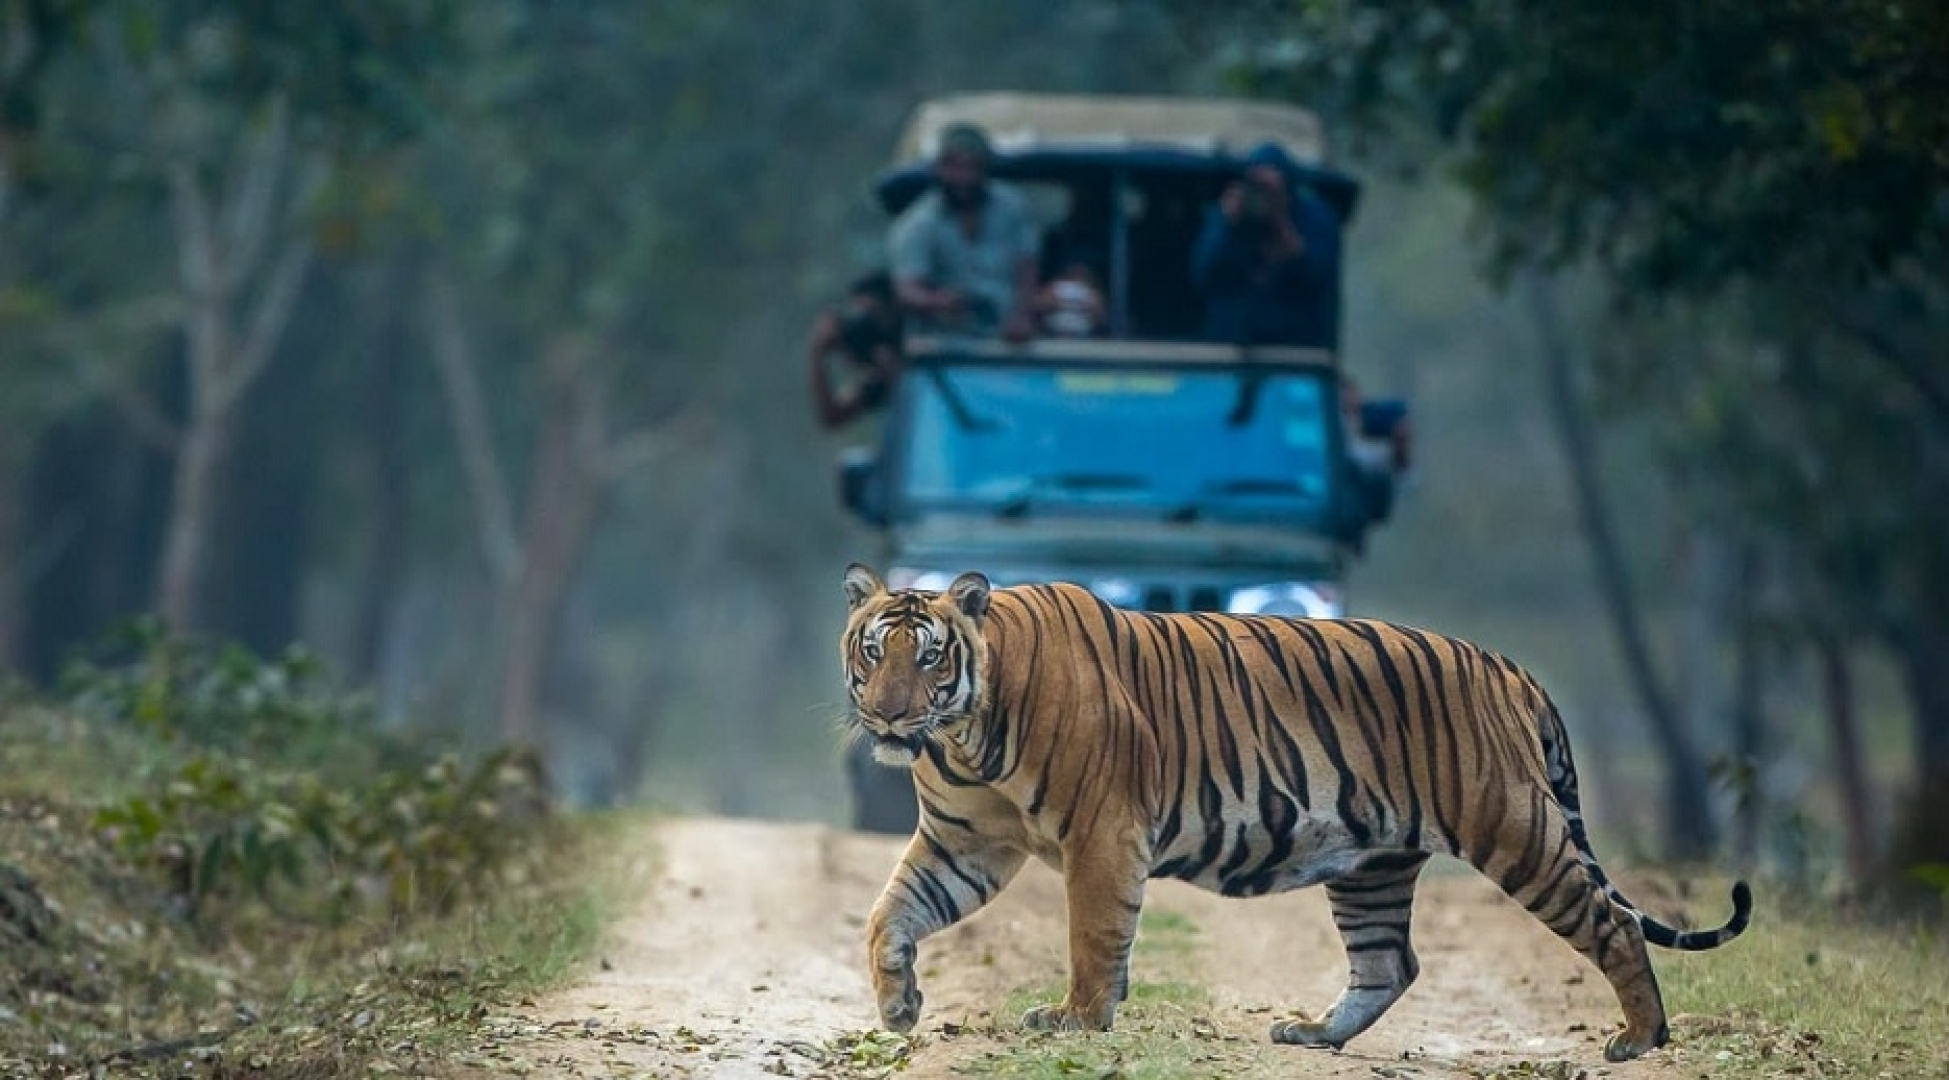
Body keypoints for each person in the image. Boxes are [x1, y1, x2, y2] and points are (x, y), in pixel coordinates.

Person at [887, 122, 1040, 342]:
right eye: (954, 167)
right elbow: (907, 290)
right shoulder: (919, 225)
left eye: (972, 167)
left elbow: (1027, 266)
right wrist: (938, 301)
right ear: (940, 168)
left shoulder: (1012, 208)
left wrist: (1023, 315)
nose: (963, 177)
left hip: (1010, 342)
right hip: (947, 344)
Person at [1189, 142, 1342, 348]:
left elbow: (1322, 281)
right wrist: (1228, 227)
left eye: (1270, 189)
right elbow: (1203, 274)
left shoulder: (1315, 219)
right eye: (1256, 186)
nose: (1263, 198)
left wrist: (1294, 249)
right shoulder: (1228, 216)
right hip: (1229, 352)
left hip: (1296, 354)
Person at [807, 270, 904, 430]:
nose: (868, 327)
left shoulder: (926, 348)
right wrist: (817, 356)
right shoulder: (878, 378)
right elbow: (832, 416)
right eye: (861, 318)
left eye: (873, 315)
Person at [1035, 259, 1108, 339]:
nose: (1077, 277)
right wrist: (1055, 301)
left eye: (1081, 275)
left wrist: (1090, 305)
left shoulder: (1093, 293)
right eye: (1074, 274)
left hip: (1083, 335)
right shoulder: (1053, 288)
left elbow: (1101, 318)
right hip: (1053, 333)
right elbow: (1039, 307)